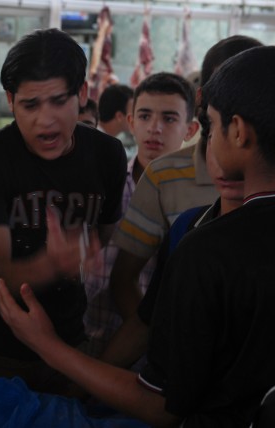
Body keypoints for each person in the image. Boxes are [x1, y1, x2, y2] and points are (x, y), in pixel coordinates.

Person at [0, 44, 275, 428]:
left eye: (211, 125)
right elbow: (145, 319)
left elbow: (162, 406)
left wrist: (47, 344)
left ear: (237, 131)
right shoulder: (191, 225)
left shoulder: (207, 251)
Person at [0, 28, 127, 427]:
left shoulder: (107, 156)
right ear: (10, 102)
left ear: (82, 93)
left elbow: (103, 231)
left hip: (65, 343)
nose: (45, 121)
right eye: (29, 105)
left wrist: (78, 255)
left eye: (59, 101)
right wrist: (53, 263)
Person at [100, 34, 263, 371]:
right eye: (144, 116)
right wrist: (171, 343)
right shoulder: (189, 225)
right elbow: (133, 294)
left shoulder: (198, 232)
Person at [82, 72, 199, 359]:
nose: (154, 129)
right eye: (145, 116)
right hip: (83, 342)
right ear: (131, 122)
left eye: (169, 119)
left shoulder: (196, 203)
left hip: (149, 356)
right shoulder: (103, 182)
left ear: (190, 129)